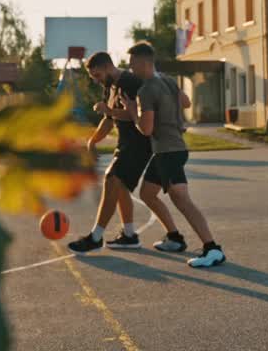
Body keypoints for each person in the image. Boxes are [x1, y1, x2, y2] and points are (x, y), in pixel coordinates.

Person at [68, 52, 185, 253]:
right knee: (120, 187)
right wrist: (92, 141)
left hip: (141, 143)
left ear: (107, 67)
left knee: (112, 178)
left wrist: (110, 111)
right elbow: (108, 119)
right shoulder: (109, 86)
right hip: (125, 144)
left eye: (97, 75)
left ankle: (95, 237)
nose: (96, 80)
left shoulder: (130, 82)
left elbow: (140, 114)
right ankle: (130, 235)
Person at [129, 42, 226, 268]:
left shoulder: (146, 90)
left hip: (168, 151)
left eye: (133, 65)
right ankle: (174, 238)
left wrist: (133, 111)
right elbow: (186, 102)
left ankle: (212, 248)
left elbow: (146, 129)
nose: (131, 69)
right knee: (147, 193)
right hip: (171, 149)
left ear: (144, 63)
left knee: (182, 200)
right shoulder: (168, 81)